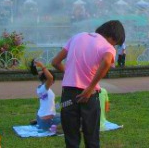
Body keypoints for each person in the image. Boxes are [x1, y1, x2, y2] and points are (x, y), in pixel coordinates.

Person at [51, 20, 125, 148]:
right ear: (113, 37)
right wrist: (90, 88)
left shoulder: (77, 37)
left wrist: (70, 74)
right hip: (89, 96)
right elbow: (107, 62)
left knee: (71, 138)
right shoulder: (108, 47)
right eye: (116, 43)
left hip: (68, 95)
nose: (115, 46)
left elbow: (55, 62)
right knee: (91, 138)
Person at [30, 59, 61, 131]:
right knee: (69, 117)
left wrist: (61, 104)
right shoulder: (44, 88)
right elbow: (50, 78)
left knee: (60, 114)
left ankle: (38, 122)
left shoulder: (40, 88)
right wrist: (42, 66)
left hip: (40, 118)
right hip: (46, 122)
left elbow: (50, 104)